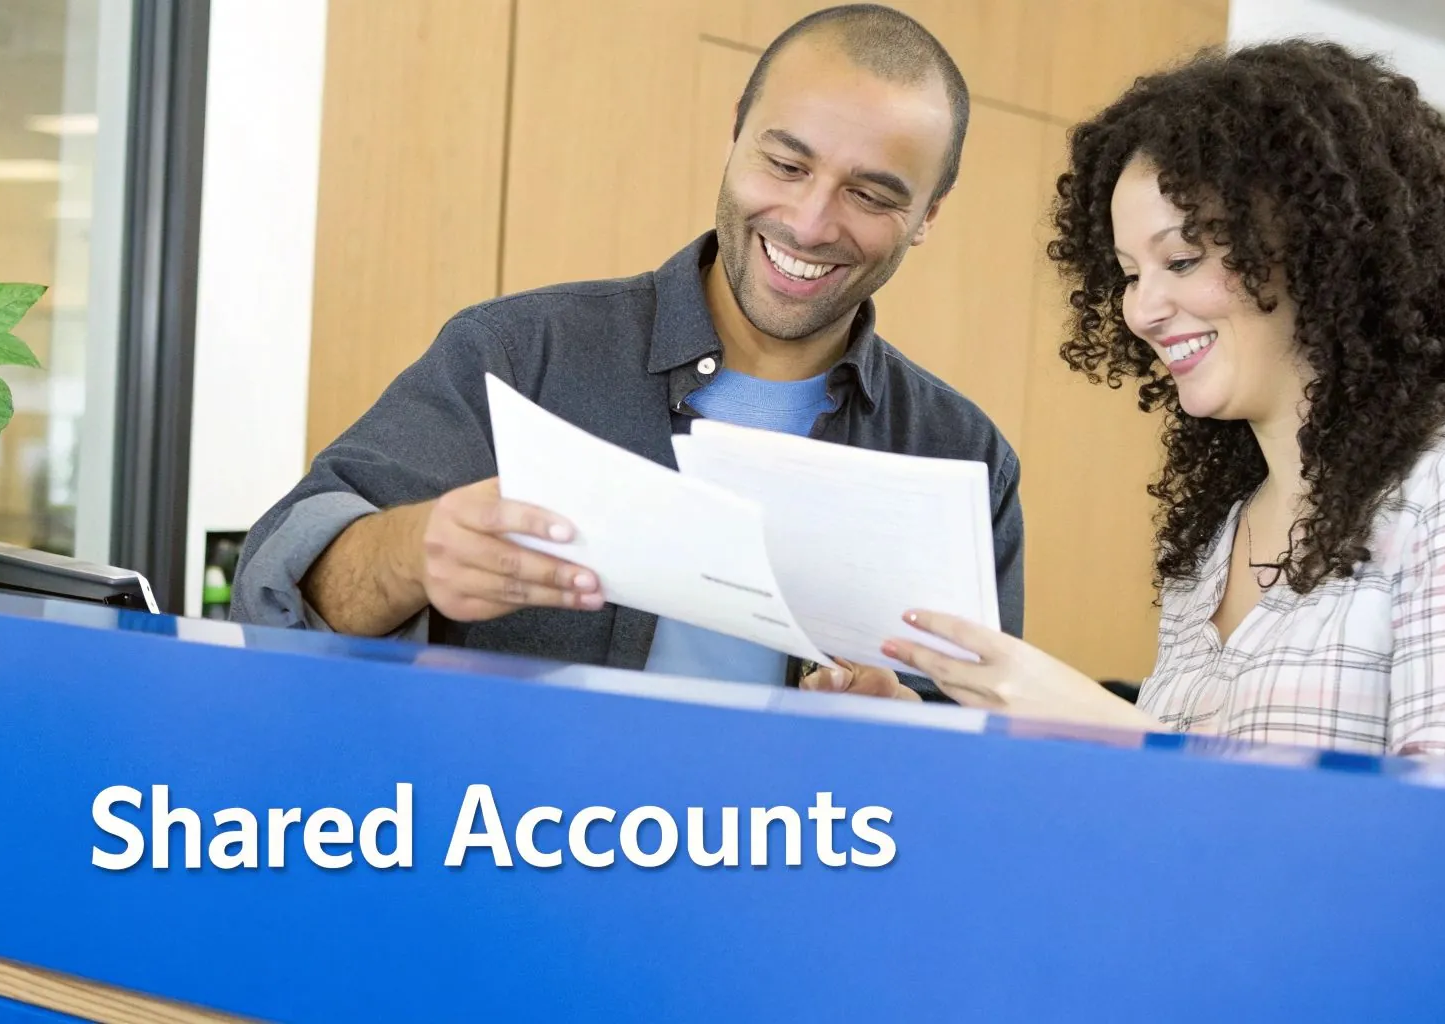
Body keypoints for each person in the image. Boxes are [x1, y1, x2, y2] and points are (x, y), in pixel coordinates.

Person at [807, 40, 1445, 774]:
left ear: (1318, 248)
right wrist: (930, 731)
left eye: (1182, 258)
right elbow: (1178, 821)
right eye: (1128, 272)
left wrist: (1111, 726)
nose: (1142, 309)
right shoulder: (1222, 534)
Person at [231, 4, 1023, 700]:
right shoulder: (519, 354)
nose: (811, 223)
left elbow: (984, 762)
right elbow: (273, 597)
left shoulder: (963, 460)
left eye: (871, 195)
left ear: (928, 214)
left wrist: (910, 733)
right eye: (785, 164)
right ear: (734, 133)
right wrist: (410, 553)